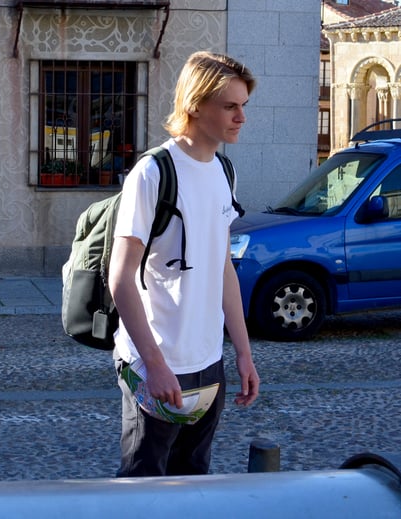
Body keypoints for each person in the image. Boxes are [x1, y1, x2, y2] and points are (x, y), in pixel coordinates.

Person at [108, 51, 261, 477]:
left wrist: (244, 354)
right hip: (154, 362)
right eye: (229, 106)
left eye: (243, 106)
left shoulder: (224, 172)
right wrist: (154, 365)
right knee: (143, 489)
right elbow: (120, 278)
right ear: (194, 104)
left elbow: (223, 268)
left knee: (194, 485)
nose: (240, 118)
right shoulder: (153, 172)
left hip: (208, 363)